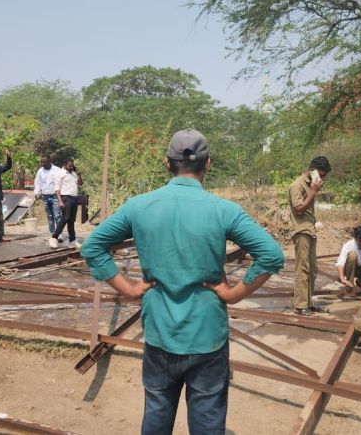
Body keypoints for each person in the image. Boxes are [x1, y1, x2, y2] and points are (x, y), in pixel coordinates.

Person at [81, 129, 284, 435]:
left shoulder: (139, 206)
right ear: (208, 164)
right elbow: (270, 254)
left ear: (167, 163)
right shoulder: (224, 210)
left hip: (160, 334)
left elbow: (92, 246)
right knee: (207, 421)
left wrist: (129, 289)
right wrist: (235, 293)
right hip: (208, 337)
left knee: (157, 413)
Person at [289, 156, 331, 316]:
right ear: (312, 171)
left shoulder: (310, 184)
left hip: (310, 229)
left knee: (313, 269)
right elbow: (299, 209)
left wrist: (313, 189)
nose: (322, 178)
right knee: (303, 268)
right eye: (321, 175)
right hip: (301, 230)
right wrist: (313, 191)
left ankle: (308, 302)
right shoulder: (297, 185)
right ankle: (300, 306)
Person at [49, 159, 83, 249]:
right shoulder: (59, 173)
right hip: (65, 198)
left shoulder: (74, 173)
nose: (71, 167)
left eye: (72, 166)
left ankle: (72, 240)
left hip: (74, 198)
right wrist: (60, 201)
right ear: (64, 165)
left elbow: (80, 184)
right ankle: (54, 237)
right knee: (65, 218)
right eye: (70, 166)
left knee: (71, 220)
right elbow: (57, 189)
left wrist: (79, 174)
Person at [33, 156, 63, 239]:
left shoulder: (57, 170)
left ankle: (58, 234)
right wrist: (37, 192)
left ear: (50, 161)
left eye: (45, 162)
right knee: (50, 216)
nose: (43, 164)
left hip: (55, 196)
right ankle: (52, 234)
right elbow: (37, 183)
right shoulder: (40, 171)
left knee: (57, 216)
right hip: (45, 196)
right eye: (42, 162)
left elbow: (62, 182)